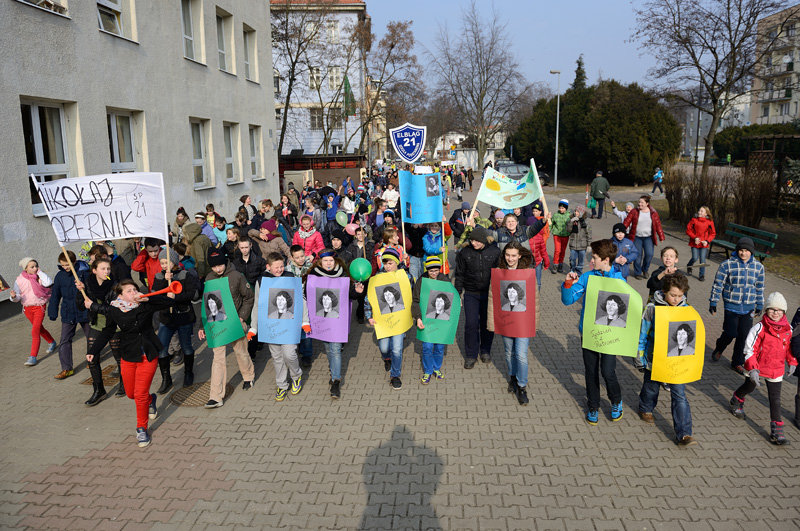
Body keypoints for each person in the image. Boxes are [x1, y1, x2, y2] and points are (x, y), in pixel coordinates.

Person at [84, 279, 177, 447]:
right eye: (129, 291)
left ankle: (141, 429)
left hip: (148, 354)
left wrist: (149, 299)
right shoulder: (115, 309)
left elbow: (169, 301)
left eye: (135, 289)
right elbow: (108, 331)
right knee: (131, 394)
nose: (134, 292)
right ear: (121, 295)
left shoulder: (144, 305)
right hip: (128, 355)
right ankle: (151, 399)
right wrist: (93, 350)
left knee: (139, 395)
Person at [561, 239, 626, 425]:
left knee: (607, 371)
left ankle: (616, 401)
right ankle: (593, 405)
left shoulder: (619, 280)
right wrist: (567, 285)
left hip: (610, 335)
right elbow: (568, 300)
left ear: (606, 259)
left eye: (595, 257)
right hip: (589, 332)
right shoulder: (587, 277)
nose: (592, 260)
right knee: (591, 371)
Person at [636, 273, 697, 446]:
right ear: (664, 292)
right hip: (654, 358)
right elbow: (643, 333)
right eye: (673, 295)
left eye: (680, 296)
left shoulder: (687, 309)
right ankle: (646, 408)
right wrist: (639, 355)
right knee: (651, 387)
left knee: (680, 395)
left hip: (677, 362)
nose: (676, 299)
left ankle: (684, 433)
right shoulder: (652, 308)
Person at [729, 292, 796, 445]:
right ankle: (737, 398)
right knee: (749, 386)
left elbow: (789, 348)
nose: (775, 313)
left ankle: (777, 429)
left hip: (776, 369)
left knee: (775, 399)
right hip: (757, 368)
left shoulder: (788, 329)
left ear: (784, 312)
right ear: (766, 310)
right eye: (771, 309)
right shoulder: (759, 328)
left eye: (779, 310)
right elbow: (749, 349)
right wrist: (752, 369)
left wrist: (792, 362)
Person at [303, 250, 365, 398]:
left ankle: (336, 380)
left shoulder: (343, 276)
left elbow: (350, 295)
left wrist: (357, 292)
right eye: (325, 261)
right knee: (328, 348)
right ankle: (333, 370)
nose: (329, 263)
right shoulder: (313, 277)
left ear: (336, 261)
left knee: (336, 349)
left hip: (337, 322)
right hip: (322, 321)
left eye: (331, 260)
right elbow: (307, 295)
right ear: (319, 262)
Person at [199, 248, 256, 408]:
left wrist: (242, 317)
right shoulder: (209, 278)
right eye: (214, 267)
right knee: (217, 358)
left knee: (241, 352)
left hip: (236, 321)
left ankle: (248, 376)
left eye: (220, 265)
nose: (218, 269)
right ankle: (215, 396)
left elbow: (249, 297)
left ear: (225, 262)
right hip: (217, 325)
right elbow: (205, 303)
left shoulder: (236, 276)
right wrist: (202, 325)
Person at [248, 253, 305, 402]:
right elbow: (257, 305)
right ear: (268, 267)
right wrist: (254, 327)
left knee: (289, 354)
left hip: (289, 325)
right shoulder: (262, 281)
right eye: (276, 267)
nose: (280, 270)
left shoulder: (290, 277)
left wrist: (305, 321)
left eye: (281, 266)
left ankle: (296, 375)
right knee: (277, 357)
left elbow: (300, 300)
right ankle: (281, 385)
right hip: (271, 326)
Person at [709, 237, 765, 374]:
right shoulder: (727, 264)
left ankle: (737, 362)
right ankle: (720, 346)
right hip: (731, 305)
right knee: (731, 332)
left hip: (748, 307)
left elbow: (760, 287)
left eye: (746, 251)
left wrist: (760, 303)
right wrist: (713, 301)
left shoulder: (759, 267)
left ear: (751, 252)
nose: (743, 253)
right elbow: (718, 284)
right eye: (741, 250)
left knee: (744, 336)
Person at [489, 242, 534, 405]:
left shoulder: (527, 273)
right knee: (509, 353)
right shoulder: (499, 273)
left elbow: (533, 298)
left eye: (514, 255)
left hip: (522, 322)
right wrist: (492, 321)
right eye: (507, 255)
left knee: (521, 354)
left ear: (519, 256)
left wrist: (533, 322)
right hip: (506, 321)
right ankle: (512, 377)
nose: (510, 258)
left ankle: (522, 386)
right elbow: (492, 297)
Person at [76, 257, 124, 404]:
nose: (106, 271)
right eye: (103, 269)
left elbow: (113, 310)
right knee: (92, 357)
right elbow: (80, 306)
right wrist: (80, 292)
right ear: (94, 270)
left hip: (113, 326)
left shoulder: (115, 287)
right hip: (96, 325)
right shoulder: (88, 284)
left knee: (119, 358)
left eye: (108, 269)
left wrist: (93, 306)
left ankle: (124, 384)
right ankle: (99, 390)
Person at [152, 247, 200, 391]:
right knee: (161, 349)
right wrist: (165, 282)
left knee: (186, 346)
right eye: (162, 263)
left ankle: (188, 372)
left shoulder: (185, 275)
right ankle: (166, 378)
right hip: (166, 318)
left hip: (183, 316)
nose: (164, 265)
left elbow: (192, 295)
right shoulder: (159, 277)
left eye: (167, 262)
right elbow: (156, 295)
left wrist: (176, 297)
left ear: (174, 261)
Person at [365, 247, 412, 389]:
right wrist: (369, 316)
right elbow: (369, 298)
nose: (387, 266)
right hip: (383, 321)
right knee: (384, 347)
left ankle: (395, 375)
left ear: (397, 262)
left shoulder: (406, 276)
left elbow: (411, 295)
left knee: (397, 349)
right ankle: (387, 357)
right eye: (385, 263)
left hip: (399, 320)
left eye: (390, 263)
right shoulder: (377, 279)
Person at [454, 226, 501, 369]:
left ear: (483, 240)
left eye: (477, 241)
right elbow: (459, 274)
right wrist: (458, 293)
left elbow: (501, 273)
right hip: (471, 294)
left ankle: (485, 350)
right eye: (472, 240)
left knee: (487, 325)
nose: (474, 243)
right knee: (471, 325)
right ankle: (471, 355)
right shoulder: (464, 253)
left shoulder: (495, 252)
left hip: (489, 294)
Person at [47, 251, 89, 379]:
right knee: (64, 341)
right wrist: (52, 311)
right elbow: (55, 295)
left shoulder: (83, 273)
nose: (65, 267)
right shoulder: (60, 276)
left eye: (68, 265)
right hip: (68, 312)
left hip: (84, 311)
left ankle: (92, 359)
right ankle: (67, 368)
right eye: (63, 265)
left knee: (91, 337)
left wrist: (84, 286)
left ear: (74, 262)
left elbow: (93, 290)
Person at [10, 257, 57, 366]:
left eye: (36, 266)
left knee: (35, 331)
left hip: (39, 306)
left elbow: (48, 283)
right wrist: (13, 297)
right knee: (39, 328)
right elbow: (17, 297)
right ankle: (52, 342)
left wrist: (40, 272)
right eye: (32, 267)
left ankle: (33, 357)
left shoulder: (39, 277)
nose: (35, 268)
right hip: (27, 308)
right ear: (26, 268)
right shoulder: (19, 280)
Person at [623, 195, 666, 280]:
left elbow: (658, 225)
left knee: (649, 254)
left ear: (647, 203)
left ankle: (645, 270)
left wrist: (661, 236)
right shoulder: (634, 211)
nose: (639, 204)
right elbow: (627, 221)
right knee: (637, 256)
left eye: (642, 202)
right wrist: (621, 229)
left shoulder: (653, 212)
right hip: (637, 237)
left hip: (648, 238)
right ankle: (638, 272)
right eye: (639, 202)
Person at [685, 206, 716, 281]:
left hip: (704, 244)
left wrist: (707, 241)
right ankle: (689, 266)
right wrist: (695, 238)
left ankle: (701, 275)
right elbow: (688, 230)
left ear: (706, 214)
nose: (699, 212)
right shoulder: (694, 220)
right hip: (694, 243)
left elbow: (713, 233)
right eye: (699, 210)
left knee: (702, 260)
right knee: (695, 258)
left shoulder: (709, 222)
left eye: (701, 211)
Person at [549, 199, 571, 274]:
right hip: (557, 235)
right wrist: (548, 231)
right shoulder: (555, 215)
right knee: (557, 250)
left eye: (563, 208)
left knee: (562, 251)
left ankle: (560, 264)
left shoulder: (569, 216)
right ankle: (555, 265)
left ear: (566, 208)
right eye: (560, 208)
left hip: (565, 235)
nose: (561, 209)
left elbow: (571, 226)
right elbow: (551, 223)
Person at [568, 206, 592, 274]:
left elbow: (589, 233)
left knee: (581, 261)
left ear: (581, 213)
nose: (576, 213)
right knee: (572, 259)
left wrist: (589, 245)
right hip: (573, 244)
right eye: (575, 211)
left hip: (582, 245)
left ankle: (579, 273)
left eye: (578, 211)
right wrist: (571, 222)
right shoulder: (571, 219)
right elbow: (568, 230)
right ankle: (572, 269)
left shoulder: (586, 221)